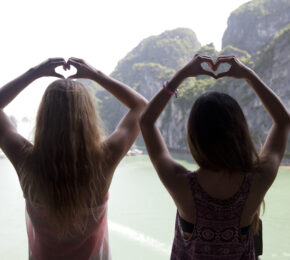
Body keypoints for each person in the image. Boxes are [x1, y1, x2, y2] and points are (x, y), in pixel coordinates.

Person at [140, 54, 290, 259]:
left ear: (194, 137)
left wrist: (182, 75)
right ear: (240, 132)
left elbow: (146, 122)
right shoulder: (256, 182)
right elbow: (283, 122)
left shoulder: (180, 184)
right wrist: (249, 75)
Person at [0, 57, 147, 260]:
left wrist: (35, 72)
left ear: (44, 117)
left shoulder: (27, 161)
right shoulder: (104, 160)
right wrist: (95, 74)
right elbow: (141, 106)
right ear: (88, 117)